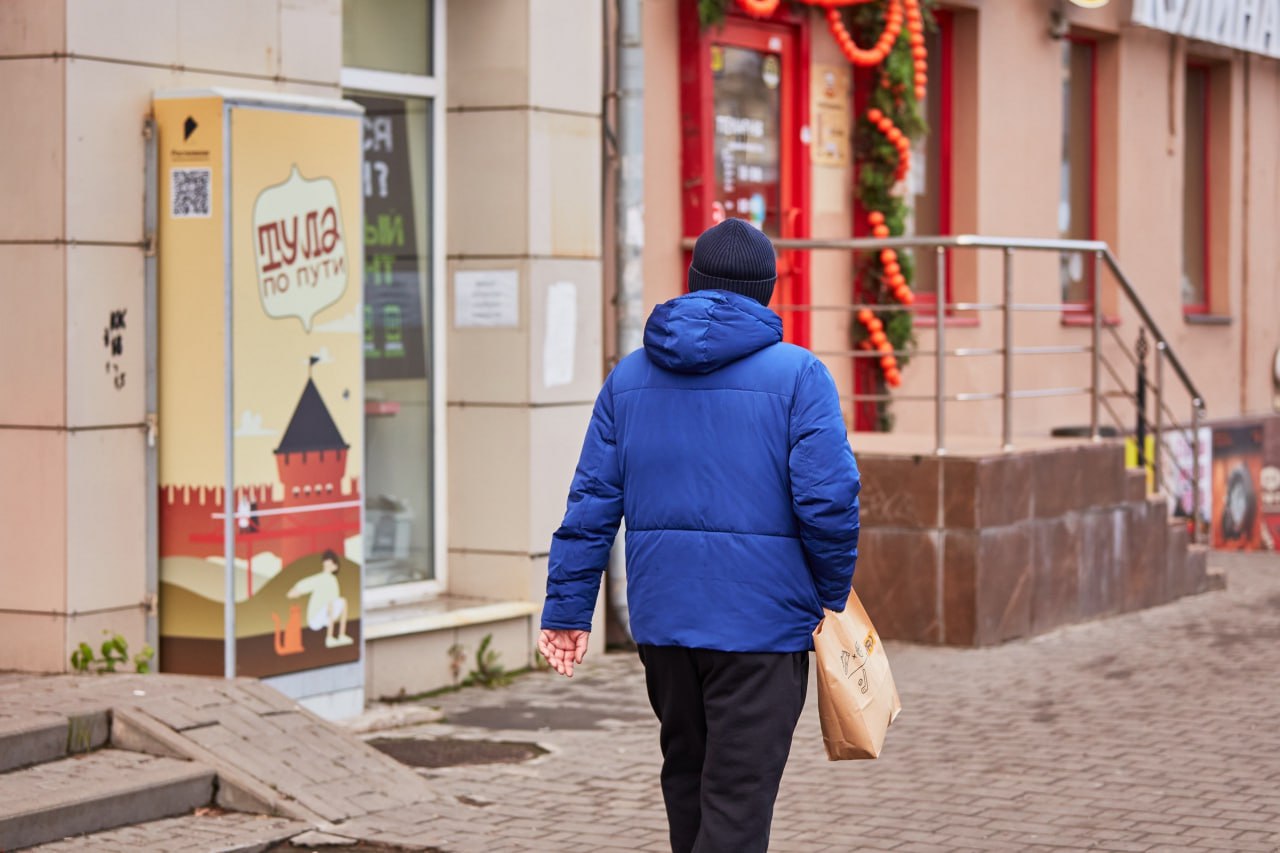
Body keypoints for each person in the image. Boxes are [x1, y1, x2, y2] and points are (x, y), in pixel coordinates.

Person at [539, 218, 861, 852]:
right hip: (762, 629)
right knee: (737, 803)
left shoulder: (628, 378)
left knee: (688, 785)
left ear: (693, 283)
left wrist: (568, 610)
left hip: (664, 625)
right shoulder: (800, 376)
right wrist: (831, 595)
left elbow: (590, 504)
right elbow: (829, 500)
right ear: (768, 291)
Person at [287, 549, 353, 648]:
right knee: (331, 603)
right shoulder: (320, 578)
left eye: (330, 565)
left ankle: (341, 635)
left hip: (326, 617)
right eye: (325, 566)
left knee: (342, 601)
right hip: (315, 619)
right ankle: (329, 638)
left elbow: (336, 601)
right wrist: (296, 590)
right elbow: (302, 586)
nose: (327, 568)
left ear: (335, 567)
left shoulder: (333, 580)